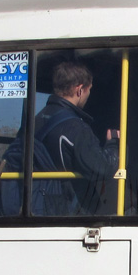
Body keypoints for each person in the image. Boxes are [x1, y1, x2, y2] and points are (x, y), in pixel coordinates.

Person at [19, 61, 119, 214]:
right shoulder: (76, 128)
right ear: (79, 90)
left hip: (31, 204)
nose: (89, 95)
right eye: (89, 90)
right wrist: (112, 144)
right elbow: (101, 168)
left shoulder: (32, 123)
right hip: (64, 209)